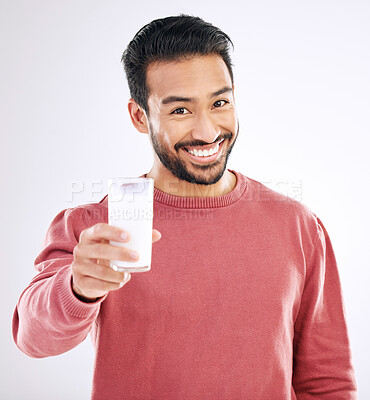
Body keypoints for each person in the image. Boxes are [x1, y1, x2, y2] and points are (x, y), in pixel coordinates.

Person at [12, 14, 358, 399]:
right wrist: (77, 289)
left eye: (220, 102)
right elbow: (32, 338)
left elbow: (327, 381)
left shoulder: (298, 225)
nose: (207, 132)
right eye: (180, 110)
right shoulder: (94, 228)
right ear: (140, 117)